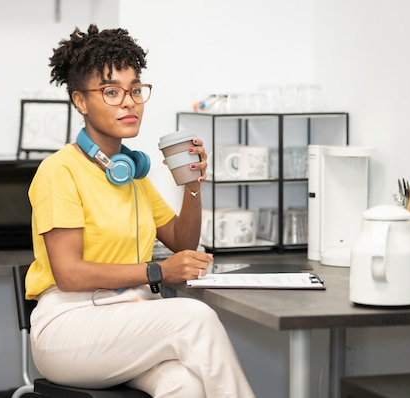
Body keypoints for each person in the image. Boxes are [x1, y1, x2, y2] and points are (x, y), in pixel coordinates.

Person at [25, 24, 255, 398]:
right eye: (112, 91)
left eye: (135, 90)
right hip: (70, 326)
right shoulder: (59, 171)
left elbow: (182, 241)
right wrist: (159, 270)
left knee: (187, 385)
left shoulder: (130, 174)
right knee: (194, 318)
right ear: (80, 101)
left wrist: (193, 185)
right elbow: (67, 273)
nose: (129, 102)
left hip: (129, 316)